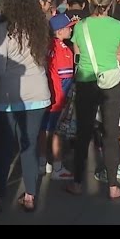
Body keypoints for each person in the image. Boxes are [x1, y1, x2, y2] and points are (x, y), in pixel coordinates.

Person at [0, 0, 51, 213]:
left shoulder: (2, 30)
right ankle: (31, 195)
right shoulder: (40, 27)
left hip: (6, 97)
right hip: (37, 94)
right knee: (29, 146)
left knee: (3, 147)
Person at [64, 0, 120, 200]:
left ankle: (77, 183)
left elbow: (77, 53)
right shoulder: (119, 26)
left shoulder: (80, 26)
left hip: (85, 82)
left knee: (83, 133)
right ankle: (112, 186)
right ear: (111, 3)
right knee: (111, 134)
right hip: (109, 83)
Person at [38, 13, 75, 180]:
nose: (71, 29)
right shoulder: (63, 50)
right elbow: (66, 78)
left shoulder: (44, 46)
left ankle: (42, 162)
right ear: (60, 31)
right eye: (68, 27)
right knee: (57, 132)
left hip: (44, 95)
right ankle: (57, 168)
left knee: (43, 130)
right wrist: (66, 99)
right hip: (58, 98)